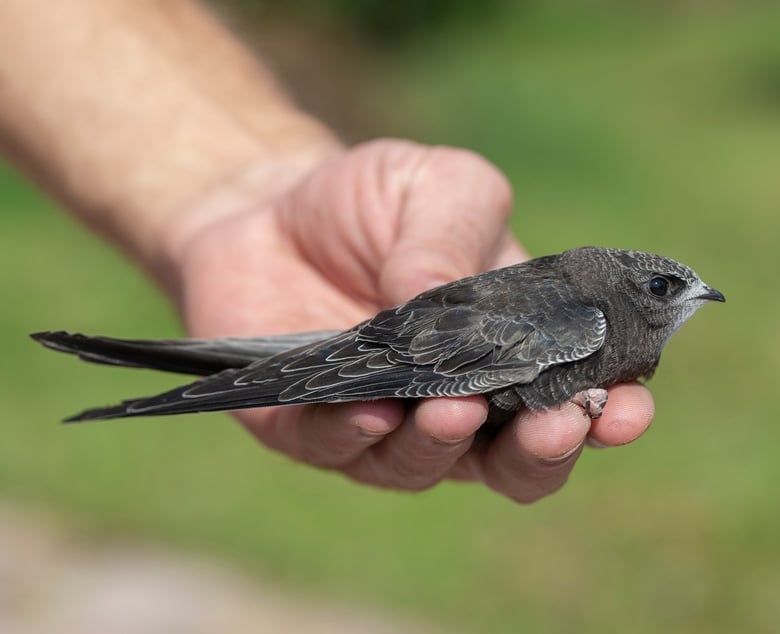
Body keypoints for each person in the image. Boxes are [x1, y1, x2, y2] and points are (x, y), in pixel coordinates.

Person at [0, 1, 654, 503]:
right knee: (402, 397)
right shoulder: (579, 318)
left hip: (396, 336)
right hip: (405, 337)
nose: (690, 301)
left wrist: (232, 195)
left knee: (446, 415)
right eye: (665, 288)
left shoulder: (593, 313)